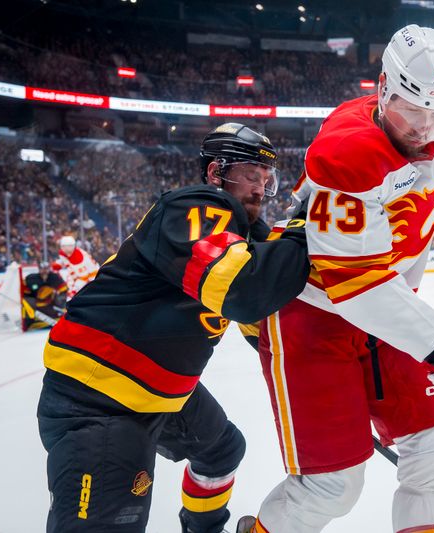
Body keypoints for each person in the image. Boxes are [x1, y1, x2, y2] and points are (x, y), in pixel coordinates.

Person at [240, 25, 434, 533]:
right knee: (332, 485)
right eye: (412, 112)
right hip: (315, 313)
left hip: (391, 312)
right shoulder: (346, 155)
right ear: (382, 88)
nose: (425, 130)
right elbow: (357, 284)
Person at [36, 123, 310, 533]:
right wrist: (306, 229)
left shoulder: (244, 234)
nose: (260, 190)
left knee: (222, 451)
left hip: (158, 392)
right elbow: (241, 291)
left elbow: (260, 320)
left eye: (266, 181)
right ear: (218, 172)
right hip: (100, 398)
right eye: (252, 176)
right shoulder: (196, 205)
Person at [21, 261, 68, 331]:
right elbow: (25, 293)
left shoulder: (54, 277)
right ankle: (30, 321)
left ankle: (57, 316)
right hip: (37, 305)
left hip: (51, 305)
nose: (44, 271)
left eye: (46, 268)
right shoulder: (31, 279)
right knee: (26, 302)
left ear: (49, 269)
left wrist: (61, 303)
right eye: (42, 269)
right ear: (39, 269)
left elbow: (64, 290)